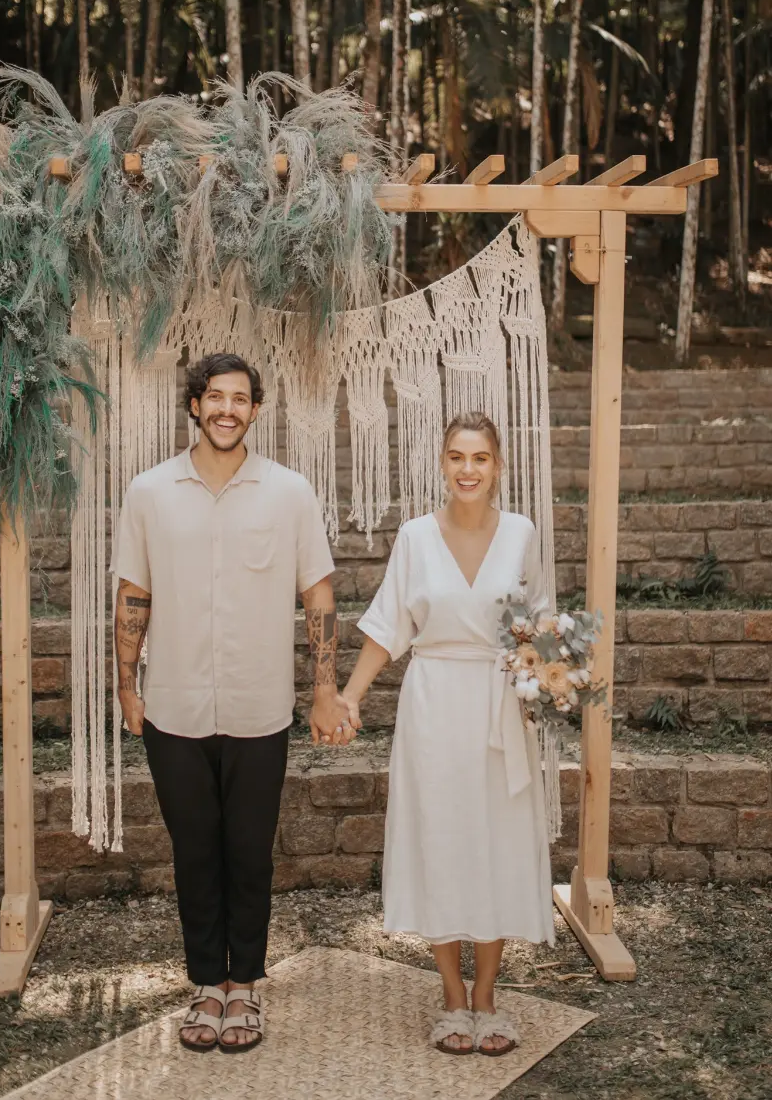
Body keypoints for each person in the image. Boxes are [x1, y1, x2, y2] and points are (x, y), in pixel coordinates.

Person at [111, 351, 355, 1053]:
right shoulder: (150, 492)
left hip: (260, 706)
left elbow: (318, 593)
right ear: (194, 405)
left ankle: (244, 986)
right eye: (213, 397)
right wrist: (127, 685)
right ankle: (205, 988)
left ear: (255, 409)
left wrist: (325, 685)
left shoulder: (289, 492)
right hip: (173, 707)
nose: (225, 409)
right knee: (195, 851)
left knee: (249, 852)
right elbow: (134, 593)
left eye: (239, 399)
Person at [341, 411, 554, 1057]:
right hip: (432, 704)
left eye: (480, 458)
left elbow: (541, 623)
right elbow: (386, 627)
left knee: (495, 842)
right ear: (442, 463)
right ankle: (451, 999)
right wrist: (349, 695)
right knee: (440, 839)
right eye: (457, 457)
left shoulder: (521, 534)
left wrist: (551, 669)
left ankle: (487, 997)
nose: (468, 469)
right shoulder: (413, 537)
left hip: (498, 708)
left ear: (498, 468)